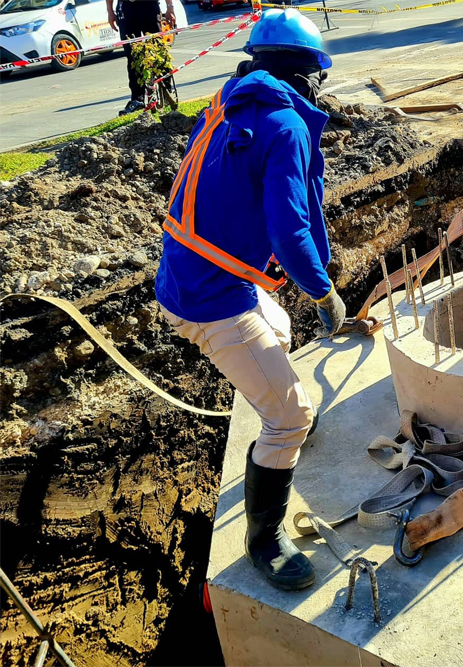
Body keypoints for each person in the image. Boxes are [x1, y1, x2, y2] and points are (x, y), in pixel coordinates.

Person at [155, 9, 344, 591]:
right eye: (318, 72)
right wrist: (324, 289)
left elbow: (283, 202)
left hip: (188, 275)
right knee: (290, 416)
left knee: (279, 329)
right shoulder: (284, 126)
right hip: (213, 298)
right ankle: (263, 538)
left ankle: (279, 419)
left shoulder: (234, 98)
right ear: (304, 70)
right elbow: (289, 232)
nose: (320, 84)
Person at [107, 0, 175, 115]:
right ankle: (137, 100)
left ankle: (167, 92)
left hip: (148, 6)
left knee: (158, 50)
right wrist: (110, 11)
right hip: (126, 8)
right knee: (132, 55)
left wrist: (170, 7)